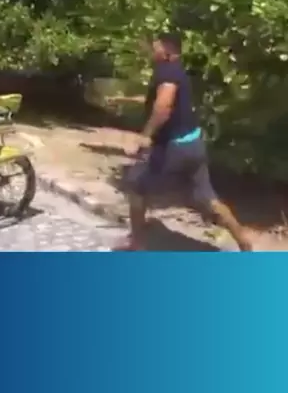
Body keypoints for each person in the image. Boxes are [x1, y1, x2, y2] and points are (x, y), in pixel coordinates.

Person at [107, 32, 252, 252]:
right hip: (193, 144)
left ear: (168, 50)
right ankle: (244, 242)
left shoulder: (167, 71)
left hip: (175, 147)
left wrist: (146, 135)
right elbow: (164, 100)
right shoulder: (176, 71)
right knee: (207, 198)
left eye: (155, 46)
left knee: (135, 186)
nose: (151, 50)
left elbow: (163, 107)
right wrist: (125, 100)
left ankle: (136, 243)